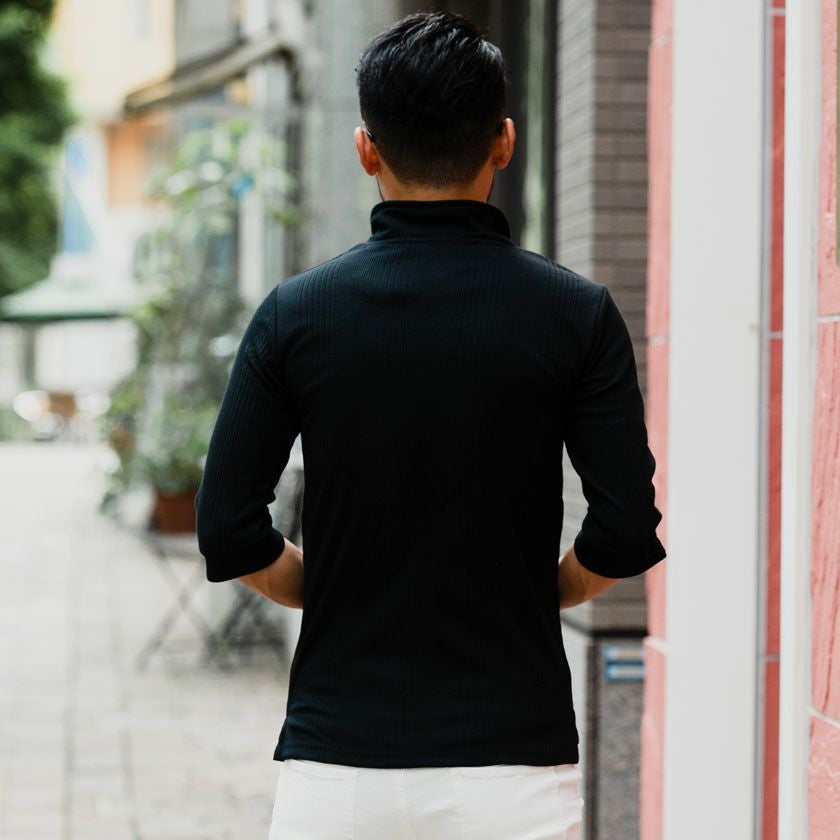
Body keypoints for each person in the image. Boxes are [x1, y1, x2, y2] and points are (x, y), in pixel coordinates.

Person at [194, 10, 666, 839]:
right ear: (505, 142)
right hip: (513, 771)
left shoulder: (296, 314)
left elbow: (229, 529)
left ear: (365, 149)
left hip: (337, 771)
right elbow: (624, 531)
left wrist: (328, 592)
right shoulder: (577, 314)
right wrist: (539, 594)